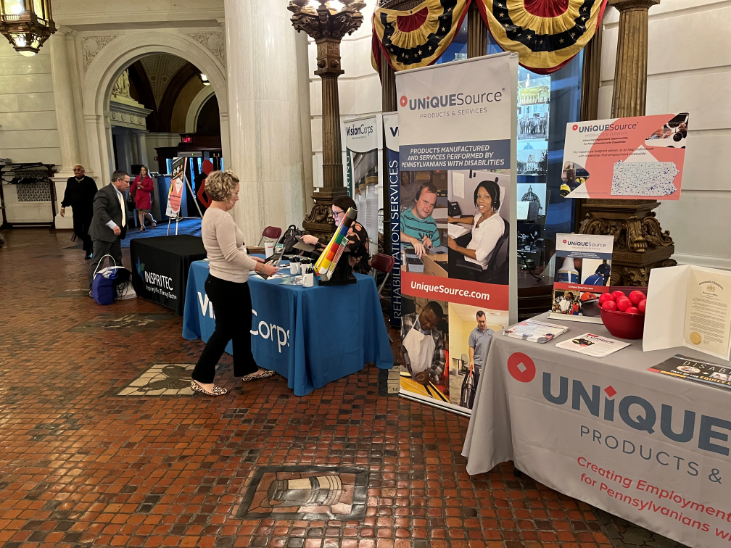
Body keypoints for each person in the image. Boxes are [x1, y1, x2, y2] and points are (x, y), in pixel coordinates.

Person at [191, 170, 278, 397]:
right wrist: (260, 268)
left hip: (228, 281)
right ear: (225, 192)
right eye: (236, 192)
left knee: (241, 328)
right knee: (225, 331)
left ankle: (246, 368)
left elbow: (230, 251)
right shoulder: (221, 218)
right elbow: (230, 254)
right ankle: (201, 377)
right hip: (226, 284)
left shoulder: (212, 214)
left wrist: (251, 259)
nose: (238, 197)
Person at [447, 179, 504, 279]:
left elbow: (479, 256)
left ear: (494, 199)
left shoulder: (494, 225)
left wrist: (456, 247)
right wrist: (453, 219)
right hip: (467, 253)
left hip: (472, 264)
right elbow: (474, 220)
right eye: (479, 196)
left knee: (442, 261)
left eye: (486, 196)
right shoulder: (483, 215)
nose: (480, 200)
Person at [301, 196, 370, 274]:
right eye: (333, 213)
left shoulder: (357, 230)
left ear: (348, 213)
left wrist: (315, 241)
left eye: (336, 213)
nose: (333, 217)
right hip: (342, 272)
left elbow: (338, 251)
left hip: (356, 275)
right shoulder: (343, 229)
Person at [88, 170, 130, 292]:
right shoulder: (103, 193)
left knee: (116, 259)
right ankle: (93, 288)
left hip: (116, 234)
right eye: (126, 182)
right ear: (119, 180)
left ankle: (118, 284)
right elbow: (100, 212)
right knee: (98, 261)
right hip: (103, 233)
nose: (128, 185)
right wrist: (113, 226)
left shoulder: (120, 193)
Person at [400, 301, 445, 387]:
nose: (428, 325)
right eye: (427, 319)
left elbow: (440, 363)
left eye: (433, 325)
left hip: (421, 385)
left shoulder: (436, 337)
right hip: (401, 379)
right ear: (423, 310)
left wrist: (429, 374)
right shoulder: (405, 321)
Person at [60, 165, 98, 260]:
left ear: (83, 171)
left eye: (78, 169)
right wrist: (63, 206)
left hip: (89, 210)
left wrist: (97, 207)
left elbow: (96, 195)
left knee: (87, 230)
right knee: (77, 230)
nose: (76, 171)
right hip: (76, 210)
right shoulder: (71, 181)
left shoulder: (89, 181)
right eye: (75, 170)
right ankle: (90, 245)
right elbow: (67, 194)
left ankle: (88, 251)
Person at [400, 182, 441, 257]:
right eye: (425, 202)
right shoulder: (404, 217)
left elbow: (438, 254)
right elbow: (395, 234)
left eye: (431, 205)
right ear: (416, 198)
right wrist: (412, 240)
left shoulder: (432, 224)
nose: (428, 208)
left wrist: (431, 247)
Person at [468, 311, 495, 394]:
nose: (482, 324)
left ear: (486, 319)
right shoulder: (473, 333)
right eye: (480, 321)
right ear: (477, 320)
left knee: (488, 387)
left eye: (483, 321)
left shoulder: (492, 333)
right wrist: (471, 360)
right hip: (478, 365)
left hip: (488, 365)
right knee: (478, 387)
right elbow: (471, 347)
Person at [130, 166, 157, 231]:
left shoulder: (149, 179)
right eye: (141, 170)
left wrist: (143, 187)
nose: (142, 172)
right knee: (140, 212)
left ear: (146, 171)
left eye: (144, 170)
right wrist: (130, 191)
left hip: (145, 196)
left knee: (145, 212)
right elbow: (133, 185)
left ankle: (152, 221)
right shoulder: (137, 178)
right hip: (138, 196)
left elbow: (151, 188)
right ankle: (142, 226)